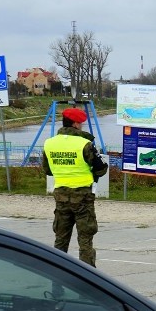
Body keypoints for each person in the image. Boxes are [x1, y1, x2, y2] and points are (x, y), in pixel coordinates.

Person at [42, 107, 108, 267]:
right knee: (85, 240)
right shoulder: (85, 144)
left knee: (60, 240)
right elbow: (101, 168)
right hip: (83, 198)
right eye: (81, 124)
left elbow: (47, 170)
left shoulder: (49, 143)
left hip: (61, 197)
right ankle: (88, 278)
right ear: (76, 124)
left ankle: (56, 278)